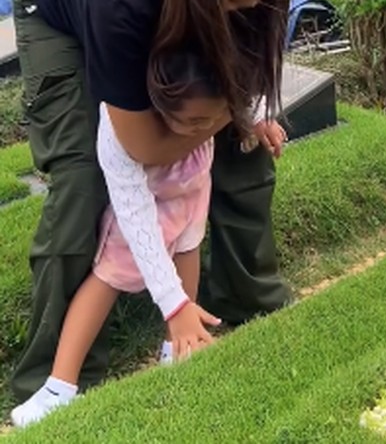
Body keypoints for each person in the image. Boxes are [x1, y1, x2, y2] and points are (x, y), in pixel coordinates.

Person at [11, 0, 296, 404]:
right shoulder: (119, 4)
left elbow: (236, 81)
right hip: (58, 14)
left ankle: (244, 297)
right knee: (82, 176)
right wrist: (223, 117)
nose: (260, 7)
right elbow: (141, 148)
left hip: (168, 4)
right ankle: (57, 381)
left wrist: (242, 117)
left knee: (241, 141)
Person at [11, 50, 236, 426]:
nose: (208, 127)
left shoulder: (205, 109)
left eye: (215, 119)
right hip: (145, 202)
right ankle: (59, 384)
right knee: (108, 276)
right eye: (197, 120)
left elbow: (241, 98)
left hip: (193, 192)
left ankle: (180, 346)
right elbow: (133, 211)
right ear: (161, 106)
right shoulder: (126, 128)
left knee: (189, 247)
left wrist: (259, 121)